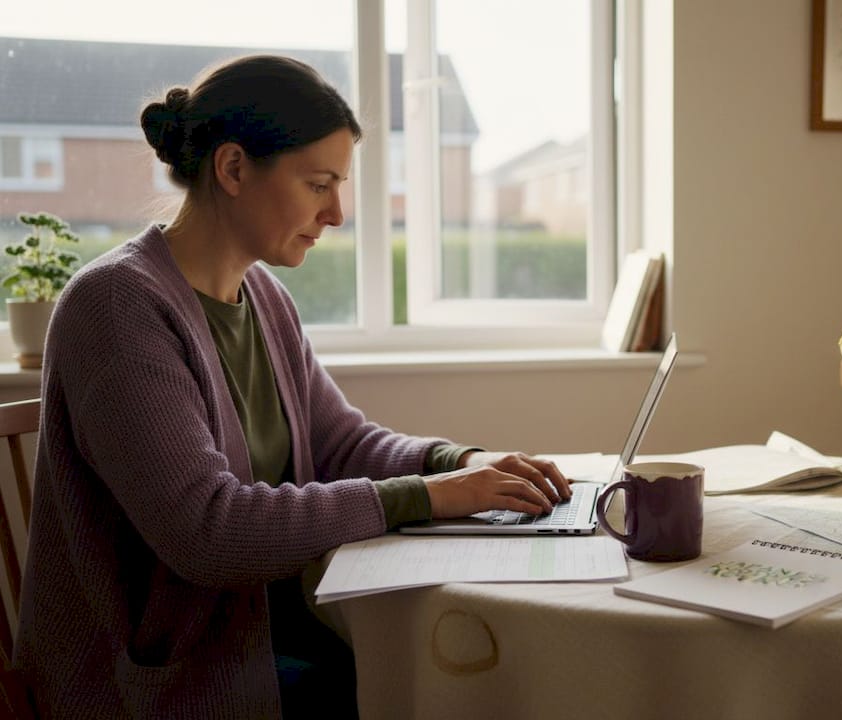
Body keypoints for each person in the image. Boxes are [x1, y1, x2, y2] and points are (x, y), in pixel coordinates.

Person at [14, 54, 571, 719]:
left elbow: (339, 441)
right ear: (233, 168)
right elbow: (208, 533)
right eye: (318, 184)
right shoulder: (116, 308)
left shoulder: (263, 297)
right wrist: (427, 496)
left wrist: (459, 463)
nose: (337, 212)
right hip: (160, 685)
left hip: (266, 642)